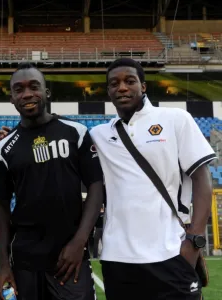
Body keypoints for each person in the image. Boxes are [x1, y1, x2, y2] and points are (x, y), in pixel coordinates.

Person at [89, 58, 216, 300]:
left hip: (170, 253)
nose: (122, 87)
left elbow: (202, 178)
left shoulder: (175, 119)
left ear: (143, 86)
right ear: (108, 91)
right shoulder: (99, 135)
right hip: (117, 259)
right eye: (114, 83)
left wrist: (194, 242)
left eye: (130, 81)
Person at [0, 63, 104, 300]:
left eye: (34, 86)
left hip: (69, 259)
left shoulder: (76, 132)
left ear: (47, 92)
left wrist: (80, 241)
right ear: (12, 98)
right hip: (24, 262)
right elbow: (1, 206)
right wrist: (3, 264)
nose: (27, 94)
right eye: (18, 89)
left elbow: (96, 186)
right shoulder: (3, 149)